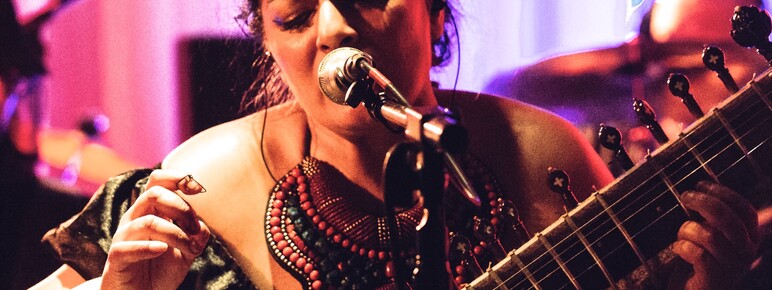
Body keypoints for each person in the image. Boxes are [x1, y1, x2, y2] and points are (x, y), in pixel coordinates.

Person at [31, 0, 760, 289]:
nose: (335, 31)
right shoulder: (198, 189)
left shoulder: (547, 159)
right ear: (267, 42)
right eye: (293, 17)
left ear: (434, 14)